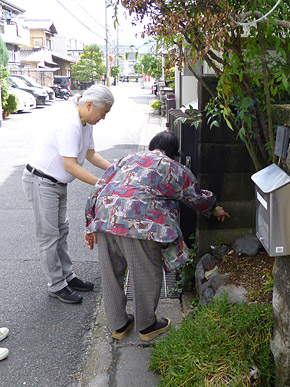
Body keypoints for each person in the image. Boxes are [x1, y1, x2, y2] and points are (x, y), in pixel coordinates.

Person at [84, 131, 230, 341]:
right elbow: (194, 196)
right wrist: (214, 208)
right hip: (140, 224)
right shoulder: (172, 167)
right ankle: (147, 325)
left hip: (105, 219)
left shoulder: (125, 160)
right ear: (173, 153)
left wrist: (89, 225)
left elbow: (98, 189)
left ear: (152, 145)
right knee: (145, 273)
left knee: (111, 274)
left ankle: (119, 325)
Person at [22, 85, 114, 304]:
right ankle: (56, 284)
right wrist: (103, 185)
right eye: (104, 112)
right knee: (49, 236)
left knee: (62, 231)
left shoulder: (85, 122)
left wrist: (116, 171)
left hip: (56, 184)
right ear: (90, 105)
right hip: (41, 181)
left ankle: (67, 276)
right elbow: (71, 166)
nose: (103, 118)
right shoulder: (70, 123)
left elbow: (90, 154)